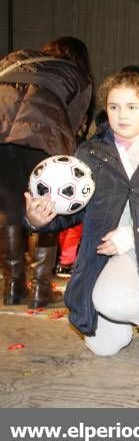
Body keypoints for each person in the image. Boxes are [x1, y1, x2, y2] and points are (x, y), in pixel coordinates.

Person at [24, 71, 139, 356]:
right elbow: (73, 212)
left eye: (132, 107)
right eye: (114, 106)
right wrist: (40, 219)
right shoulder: (92, 153)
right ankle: (132, 310)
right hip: (104, 252)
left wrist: (131, 236)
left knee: (111, 300)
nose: (122, 115)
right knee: (103, 346)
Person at [0, 36, 94, 308]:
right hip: (41, 135)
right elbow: (74, 123)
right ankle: (41, 288)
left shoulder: (16, 58)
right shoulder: (77, 76)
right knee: (49, 206)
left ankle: (13, 286)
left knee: (7, 210)